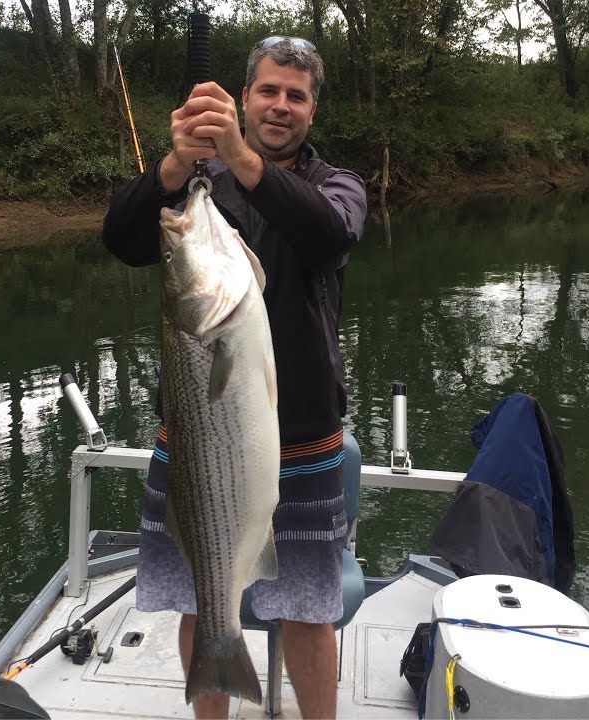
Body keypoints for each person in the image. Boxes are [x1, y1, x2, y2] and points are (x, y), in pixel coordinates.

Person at [101, 35, 367, 720]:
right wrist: (173, 166)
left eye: (295, 96)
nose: (281, 105)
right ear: (245, 97)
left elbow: (329, 238)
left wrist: (242, 161)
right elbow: (123, 239)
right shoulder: (200, 184)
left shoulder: (336, 186)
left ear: (312, 108)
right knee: (202, 598)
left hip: (305, 439)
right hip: (196, 440)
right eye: (268, 90)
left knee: (309, 610)